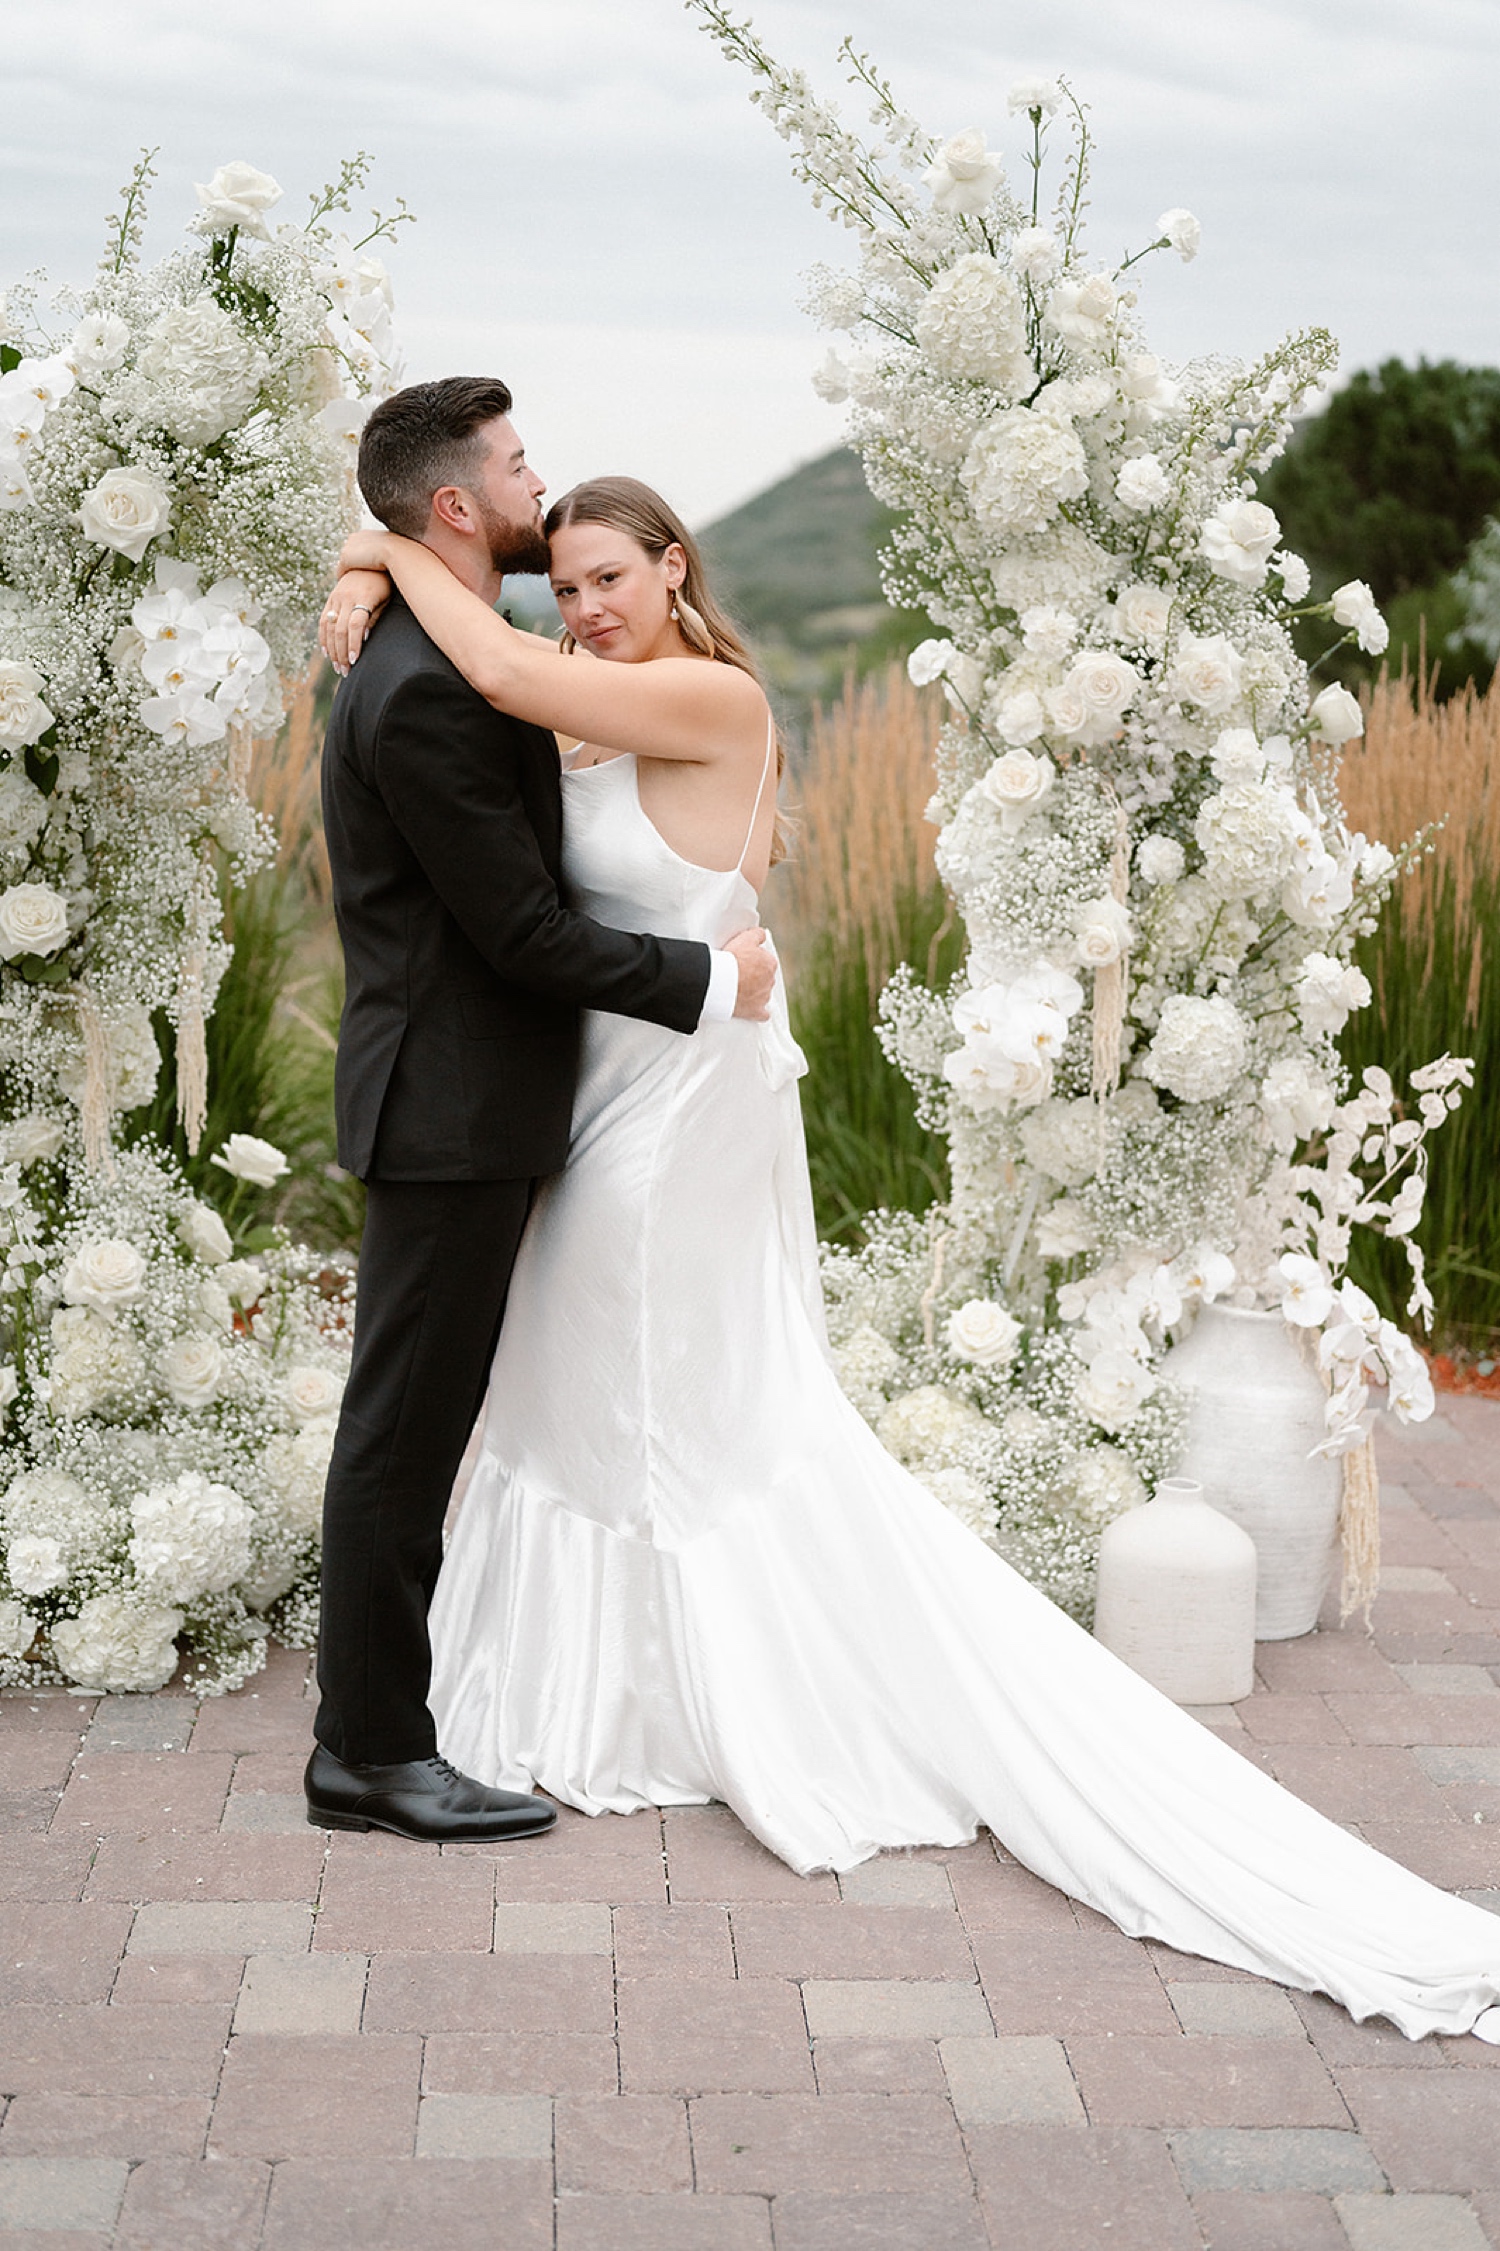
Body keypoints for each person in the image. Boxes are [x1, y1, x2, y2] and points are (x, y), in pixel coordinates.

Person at [319, 468, 1500, 2044]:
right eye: (570, 580)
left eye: (613, 575)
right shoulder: (610, 693)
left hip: (675, 1107)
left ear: (677, 570)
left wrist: (389, 546)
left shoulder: (706, 695)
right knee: (575, 1387)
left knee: (653, 1394)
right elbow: (521, 704)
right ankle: (572, 1676)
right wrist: (375, 560)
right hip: (626, 1075)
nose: (587, 605)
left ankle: (677, 1692)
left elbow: (508, 672)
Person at [306, 378, 777, 1845]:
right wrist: (712, 977)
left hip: (507, 1103)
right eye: (516, 470)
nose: (535, 483)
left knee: (443, 1415)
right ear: (460, 504)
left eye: (603, 575)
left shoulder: (430, 647)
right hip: (454, 1109)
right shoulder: (445, 681)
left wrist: (366, 555)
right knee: (404, 1430)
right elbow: (519, 935)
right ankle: (370, 1751)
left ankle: (449, 1707)